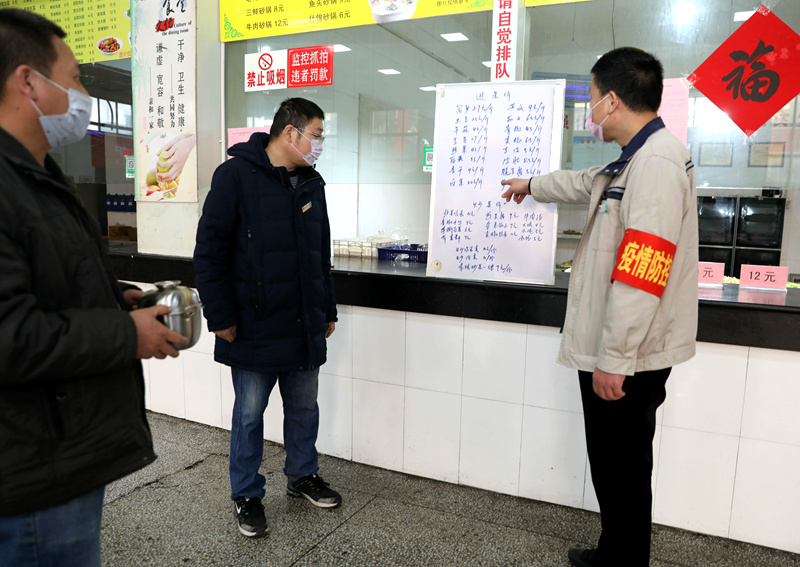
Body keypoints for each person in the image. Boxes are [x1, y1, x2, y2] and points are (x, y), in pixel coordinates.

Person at [0, 8, 188, 567]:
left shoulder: (39, 176)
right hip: (31, 469)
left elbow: (47, 281)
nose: (83, 94)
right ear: (29, 82)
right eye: (75, 78)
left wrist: (115, 295)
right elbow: (9, 336)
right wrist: (126, 334)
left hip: (62, 448)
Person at [501, 47, 697, 567]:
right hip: (623, 352)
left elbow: (642, 270)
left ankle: (623, 561)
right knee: (613, 466)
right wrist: (531, 185)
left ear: (612, 100)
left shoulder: (655, 162)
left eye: (590, 99)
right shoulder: (637, 157)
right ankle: (614, 553)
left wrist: (615, 357)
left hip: (627, 358)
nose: (590, 111)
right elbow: (586, 182)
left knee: (622, 469)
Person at [194, 97, 340, 538]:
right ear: (290, 132)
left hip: (303, 320)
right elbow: (210, 252)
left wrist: (327, 308)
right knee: (249, 414)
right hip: (253, 322)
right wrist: (219, 315)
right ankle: (246, 493)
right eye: (316, 135)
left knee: (304, 407)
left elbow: (321, 254)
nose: (319, 144)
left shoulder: (312, 183)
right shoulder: (235, 176)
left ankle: (302, 474)